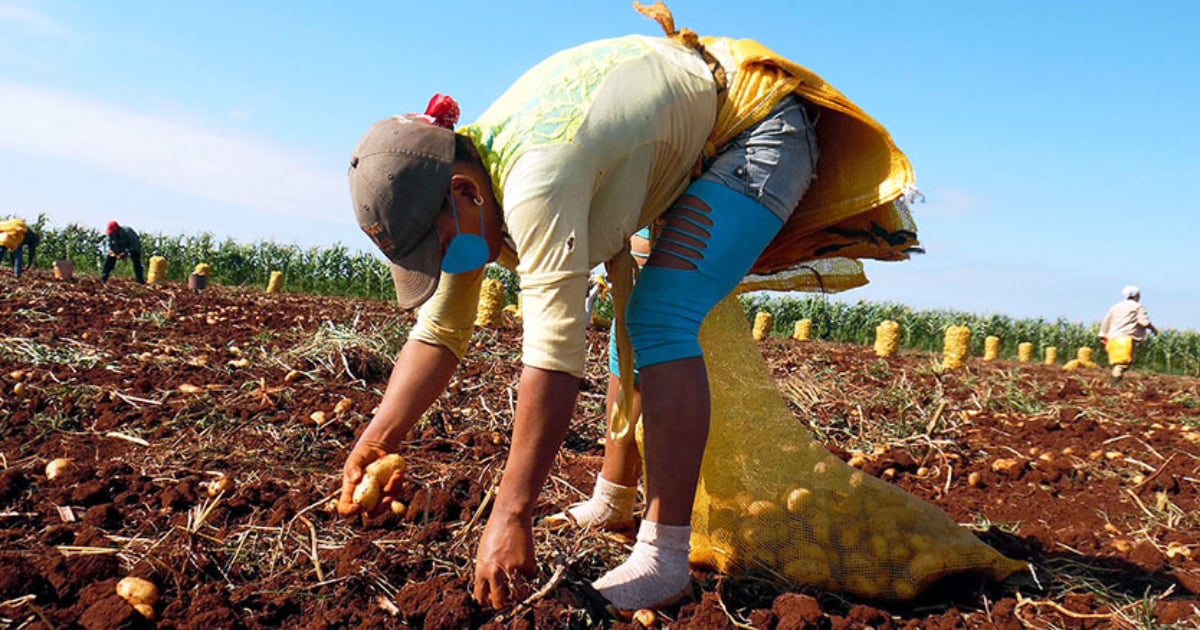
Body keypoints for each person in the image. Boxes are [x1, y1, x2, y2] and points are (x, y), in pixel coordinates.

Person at [338, 4, 915, 614]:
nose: (449, 264)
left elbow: (555, 357)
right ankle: (614, 497)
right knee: (634, 314)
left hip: (755, 130)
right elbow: (442, 329)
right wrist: (376, 440)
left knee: (661, 316)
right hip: (684, 137)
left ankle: (665, 557)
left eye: (441, 248)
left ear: (462, 192)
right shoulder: (473, 181)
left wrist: (511, 514)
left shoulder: (537, 180)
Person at [1099, 285, 1159, 380]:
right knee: (1122, 364)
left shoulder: (1115, 307)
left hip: (1113, 338)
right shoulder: (1137, 307)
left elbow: (1106, 321)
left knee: (1120, 362)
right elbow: (1144, 322)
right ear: (1136, 296)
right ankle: (1115, 382)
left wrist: (1103, 335)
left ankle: (1117, 381)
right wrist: (1153, 329)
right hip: (1126, 339)